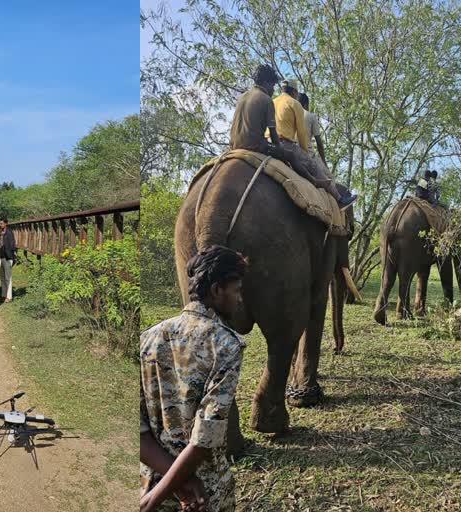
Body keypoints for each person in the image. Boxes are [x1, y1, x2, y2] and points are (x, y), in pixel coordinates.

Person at [140, 245, 248, 512]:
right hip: (204, 492)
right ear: (216, 290)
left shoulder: (149, 337)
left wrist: (156, 496)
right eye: (236, 291)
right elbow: (204, 438)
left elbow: (139, 430)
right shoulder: (226, 345)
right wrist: (183, 485)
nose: (239, 300)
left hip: (152, 479)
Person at [272, 79, 356, 209]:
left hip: (269, 143)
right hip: (286, 144)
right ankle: (339, 199)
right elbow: (301, 134)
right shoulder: (295, 104)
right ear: (294, 92)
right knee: (315, 168)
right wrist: (305, 153)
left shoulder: (273, 102)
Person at [229, 63, 284, 159]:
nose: (273, 90)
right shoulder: (266, 99)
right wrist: (279, 149)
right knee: (291, 155)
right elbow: (273, 133)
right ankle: (309, 175)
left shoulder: (242, 97)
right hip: (255, 146)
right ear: (266, 82)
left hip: (234, 146)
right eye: (273, 85)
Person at [298, 93, 326, 165]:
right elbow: (319, 143)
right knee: (328, 176)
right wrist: (324, 162)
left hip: (290, 150)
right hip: (307, 155)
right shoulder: (311, 116)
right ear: (306, 105)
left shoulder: (290, 113)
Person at [0, 217, 17, 303]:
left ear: (6, 223)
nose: (0, 225)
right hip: (1, 257)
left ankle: (9, 297)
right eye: (0, 223)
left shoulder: (9, 232)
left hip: (8, 257)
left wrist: (13, 257)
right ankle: (3, 294)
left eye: (2, 223)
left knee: (8, 277)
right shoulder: (0, 232)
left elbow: (13, 245)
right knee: (2, 277)